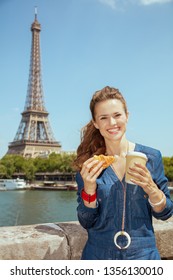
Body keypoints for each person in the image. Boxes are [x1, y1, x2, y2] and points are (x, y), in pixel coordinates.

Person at [74, 85, 173, 260]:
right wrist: (89, 190)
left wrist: (151, 188)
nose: (112, 123)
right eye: (104, 118)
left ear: (127, 116)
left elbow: (165, 213)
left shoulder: (151, 157)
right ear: (96, 123)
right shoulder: (88, 165)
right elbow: (86, 221)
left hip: (144, 258)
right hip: (98, 257)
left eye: (117, 115)